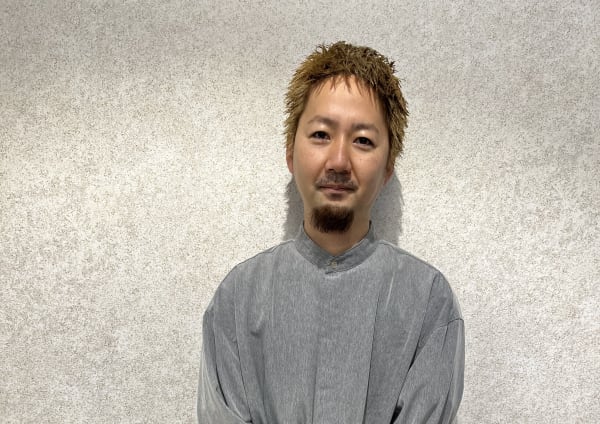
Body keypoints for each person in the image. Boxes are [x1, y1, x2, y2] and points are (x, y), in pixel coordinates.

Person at [198, 41, 464, 424]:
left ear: (388, 168)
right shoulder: (238, 299)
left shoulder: (428, 302)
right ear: (290, 153)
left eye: (363, 141)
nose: (339, 161)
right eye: (321, 135)